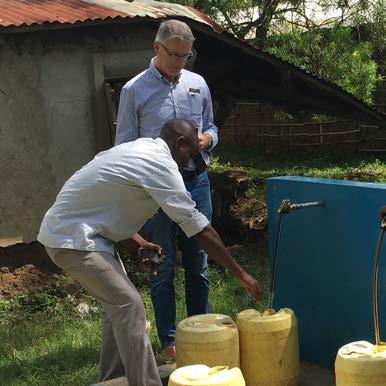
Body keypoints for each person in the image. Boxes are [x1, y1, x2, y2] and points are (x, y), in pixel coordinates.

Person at [38, 119, 261, 385]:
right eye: (190, 153)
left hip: (81, 234)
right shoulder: (160, 164)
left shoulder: (140, 150)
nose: (189, 162)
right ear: (179, 144)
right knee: (128, 305)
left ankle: (113, 380)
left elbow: (103, 203)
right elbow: (200, 228)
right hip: (71, 239)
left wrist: (138, 242)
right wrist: (240, 273)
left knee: (116, 310)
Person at [115, 19, 218, 359]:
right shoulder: (134, 90)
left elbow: (213, 128)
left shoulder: (198, 84)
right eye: (174, 54)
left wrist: (206, 139)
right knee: (162, 265)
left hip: (196, 182)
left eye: (186, 56)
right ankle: (170, 341)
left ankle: (200, 329)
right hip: (157, 191)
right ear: (156, 48)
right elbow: (125, 145)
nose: (179, 62)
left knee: (199, 263)